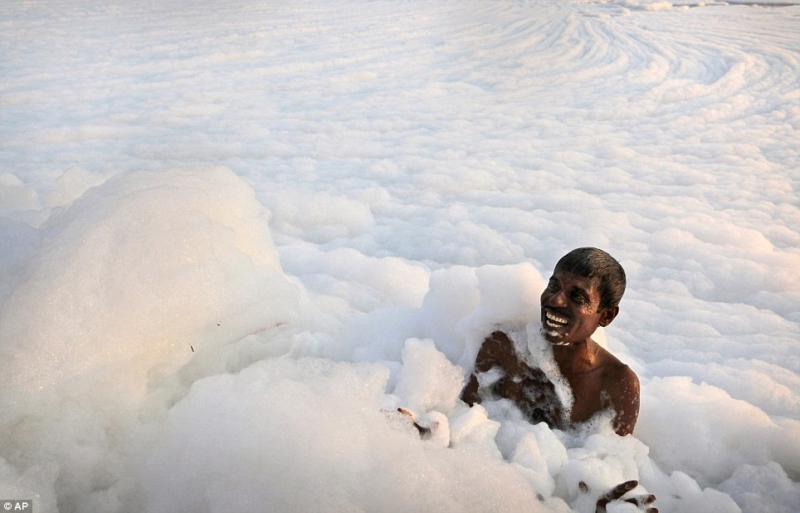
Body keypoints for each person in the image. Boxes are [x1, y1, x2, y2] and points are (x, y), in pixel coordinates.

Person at [460, 247, 640, 436]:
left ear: (607, 316)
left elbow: (615, 462)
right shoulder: (504, 346)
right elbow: (462, 418)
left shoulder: (617, 385)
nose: (555, 301)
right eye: (554, 286)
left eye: (577, 296)